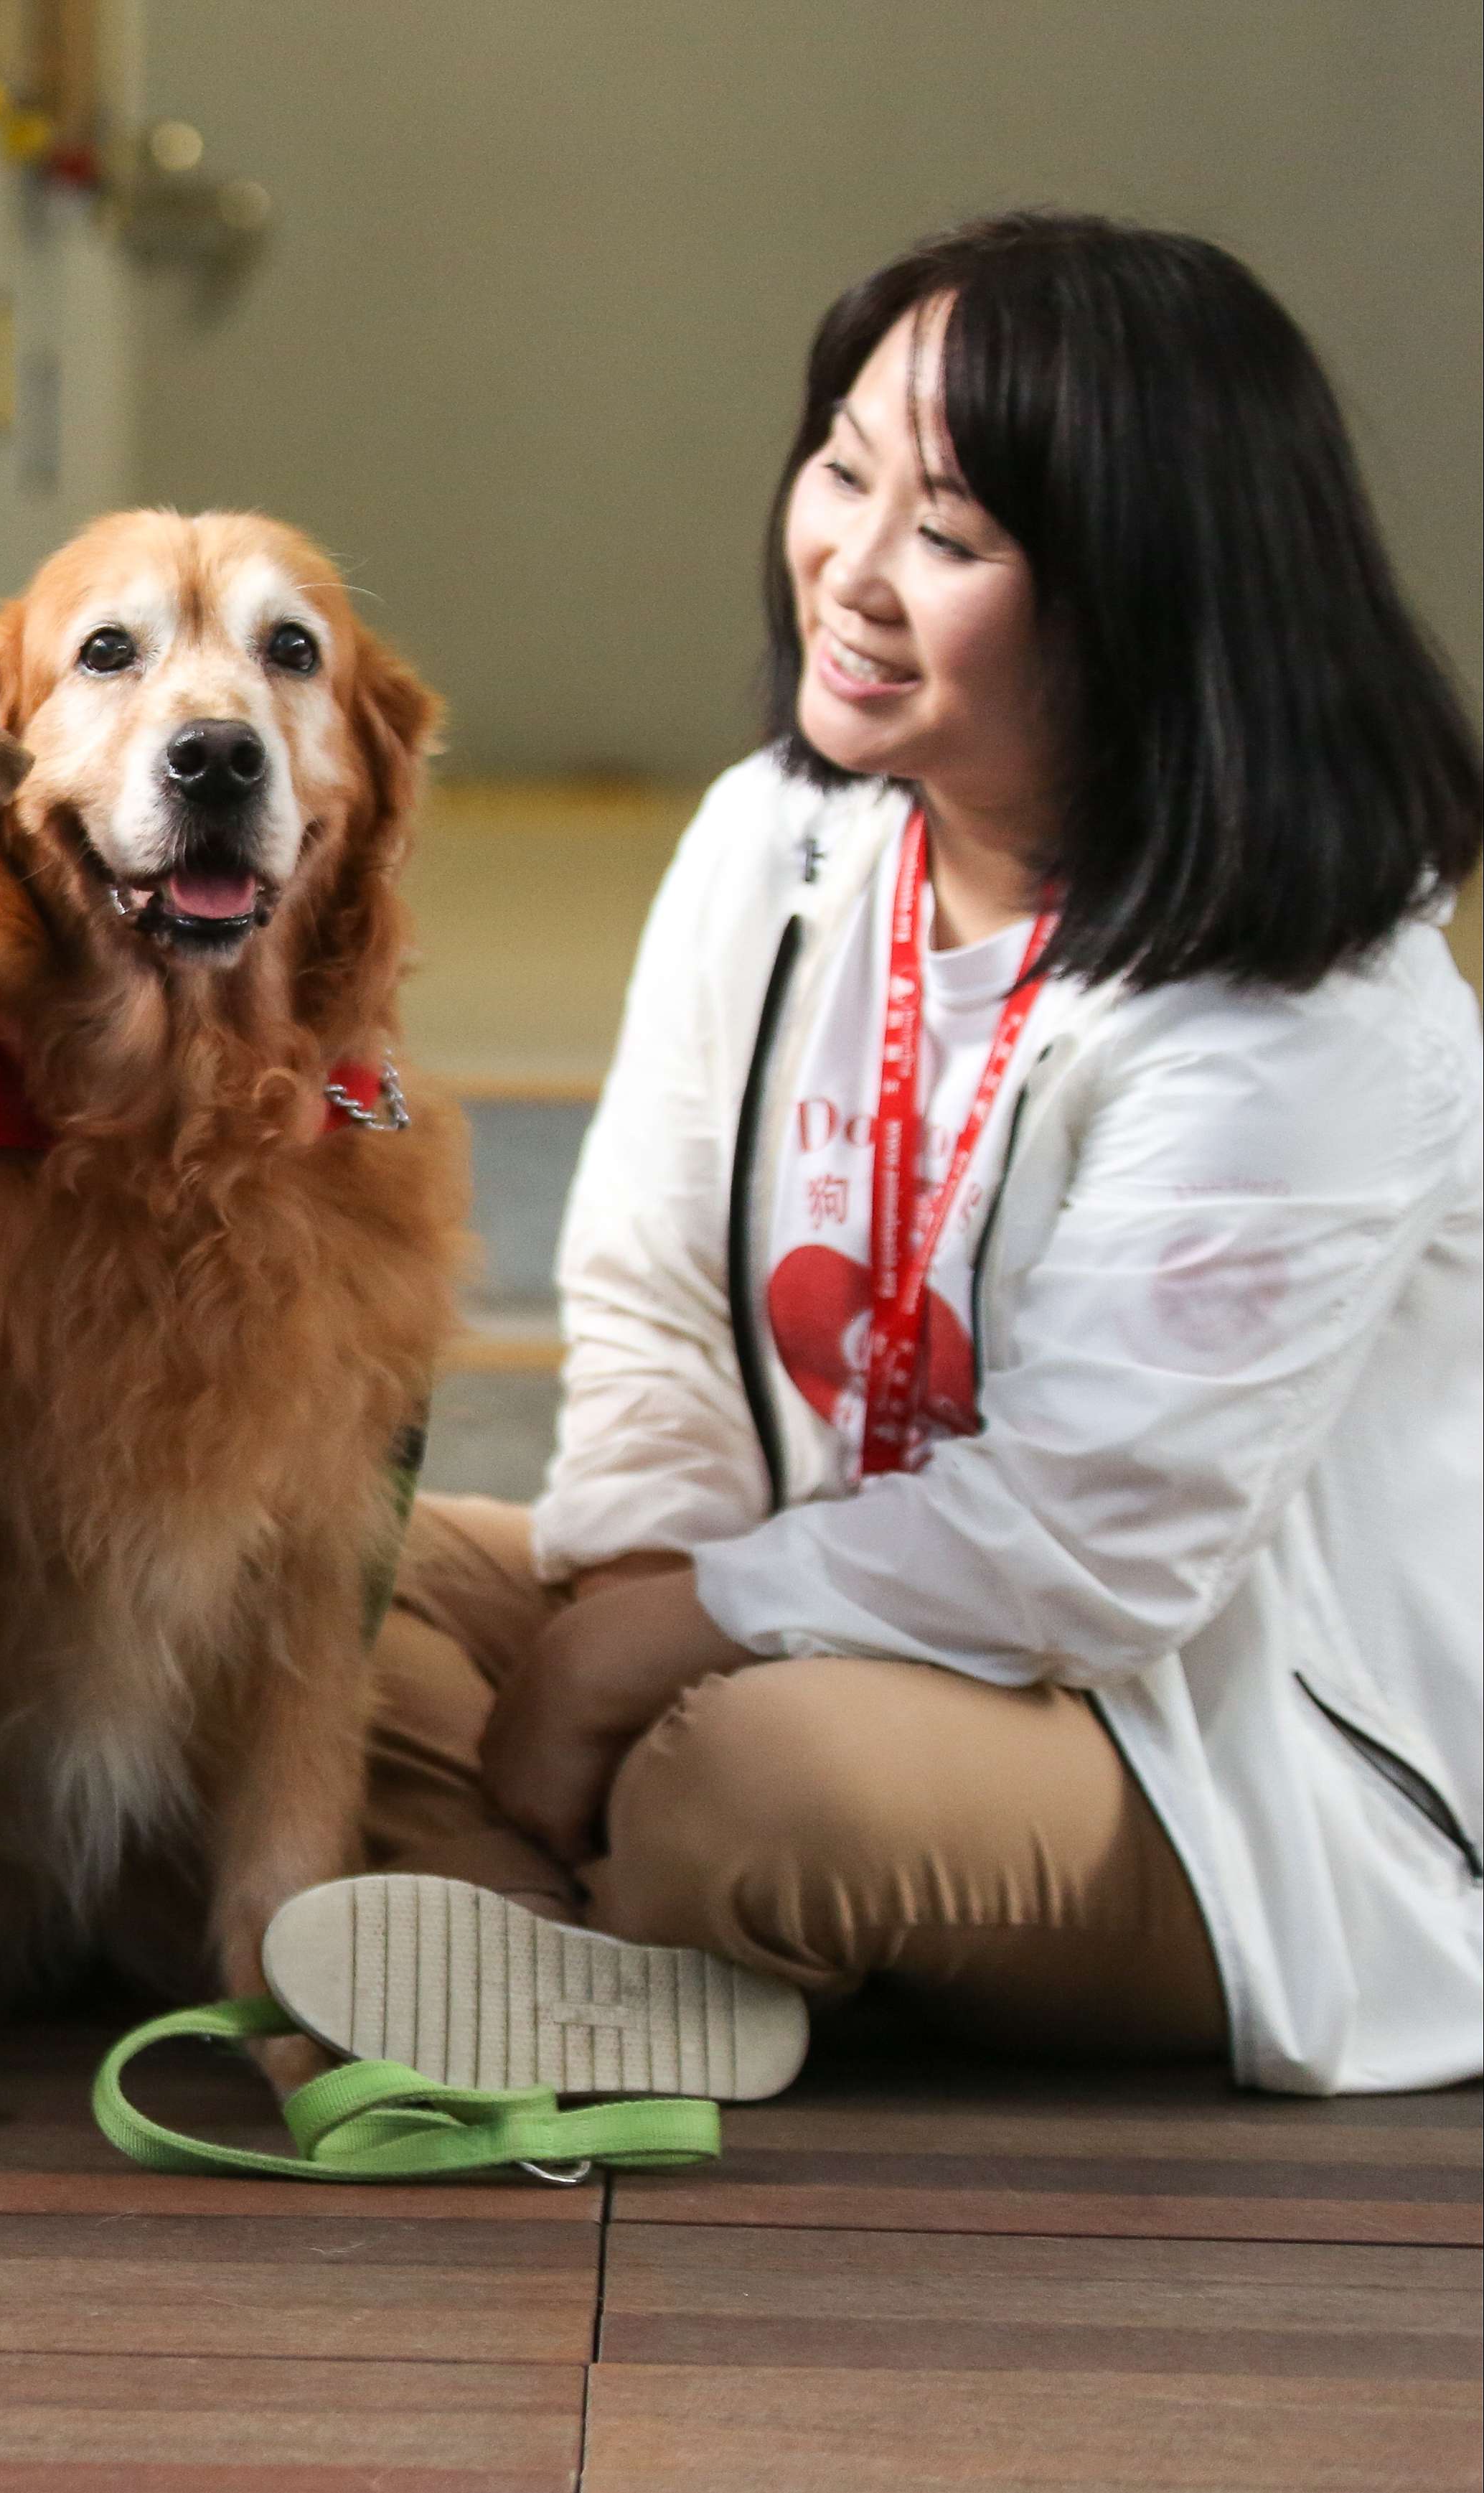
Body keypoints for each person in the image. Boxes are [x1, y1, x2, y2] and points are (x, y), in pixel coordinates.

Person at [311, 212, 1480, 2096]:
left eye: (948, 536)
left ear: (1148, 590)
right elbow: (652, 1291)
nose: (848, 569)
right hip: (788, 1607)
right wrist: (636, 1588)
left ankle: (593, 1913)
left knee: (752, 1791)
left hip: (1195, 1754)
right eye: (840, 472)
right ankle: (610, 1969)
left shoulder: (1309, 1007)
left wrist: (634, 1668)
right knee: (285, 1587)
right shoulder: (781, 839)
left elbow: (1089, 1549)